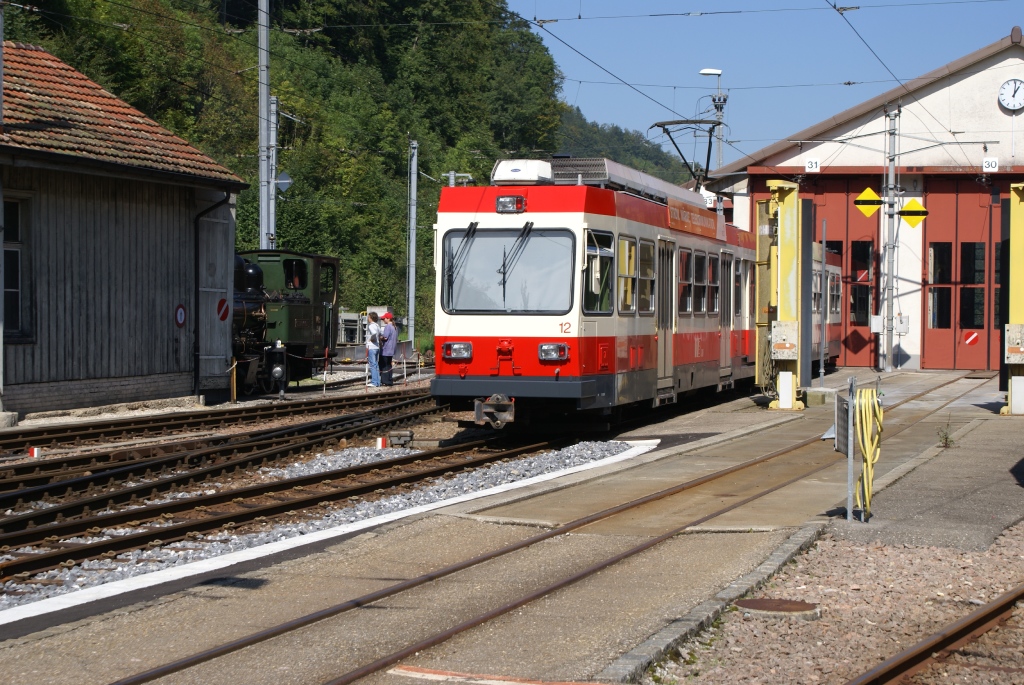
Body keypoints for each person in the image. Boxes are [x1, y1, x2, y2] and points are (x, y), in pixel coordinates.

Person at [380, 312, 398, 386]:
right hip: (392, 349)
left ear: (388, 319)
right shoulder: (395, 327)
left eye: (384, 319)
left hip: (386, 349)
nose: (383, 320)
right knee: (389, 365)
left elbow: (385, 337)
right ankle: (389, 380)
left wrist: (379, 337)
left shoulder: (388, 327)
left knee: (384, 366)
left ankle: (385, 381)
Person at [366, 312, 381, 387]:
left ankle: (374, 382)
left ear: (371, 318)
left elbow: (374, 333)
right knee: (376, 365)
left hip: (372, 347)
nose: (368, 318)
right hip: (377, 347)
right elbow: (380, 333)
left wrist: (372, 339)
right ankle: (378, 381)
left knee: (372, 365)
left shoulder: (371, 326)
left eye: (368, 317)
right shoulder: (377, 325)